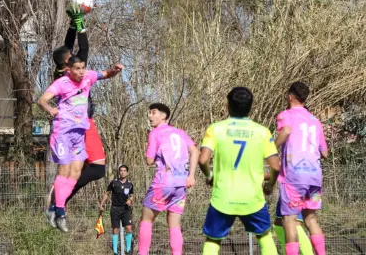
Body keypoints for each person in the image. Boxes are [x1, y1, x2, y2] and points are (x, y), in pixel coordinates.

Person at [38, 54, 123, 232]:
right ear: (69, 69)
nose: (81, 71)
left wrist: (114, 70)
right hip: (63, 133)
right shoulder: (61, 83)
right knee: (65, 170)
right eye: (77, 68)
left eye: (83, 67)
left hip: (79, 133)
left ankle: (55, 208)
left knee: (76, 172)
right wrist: (50, 109)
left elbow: (105, 73)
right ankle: (60, 211)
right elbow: (42, 100)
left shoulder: (88, 76)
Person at [198, 87, 280, 255]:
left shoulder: (215, 129)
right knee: (264, 236)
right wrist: (270, 185)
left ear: (228, 105)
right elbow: (276, 166)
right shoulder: (262, 132)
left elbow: (203, 160)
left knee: (213, 240)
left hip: (223, 197)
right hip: (253, 198)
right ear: (251, 106)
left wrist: (210, 176)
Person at [45, 7, 107, 225]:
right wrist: (80, 25)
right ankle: (58, 199)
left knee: (97, 168)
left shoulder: (64, 69)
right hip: (78, 126)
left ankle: (60, 200)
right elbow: (84, 47)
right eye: (73, 59)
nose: (79, 61)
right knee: (98, 168)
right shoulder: (70, 75)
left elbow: (68, 48)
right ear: (67, 64)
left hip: (83, 124)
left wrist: (72, 24)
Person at [137, 103, 199, 255]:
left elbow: (149, 161)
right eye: (149, 113)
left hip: (163, 183)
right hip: (181, 184)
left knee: (146, 219)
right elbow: (195, 151)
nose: (149, 116)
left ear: (163, 116)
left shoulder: (155, 133)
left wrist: (149, 149)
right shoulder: (180, 132)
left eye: (153, 112)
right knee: (174, 224)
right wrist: (191, 175)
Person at [275, 82, 328, 255]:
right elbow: (325, 152)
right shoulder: (315, 120)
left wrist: (272, 148)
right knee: (311, 219)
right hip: (314, 176)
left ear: (290, 97)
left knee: (289, 220)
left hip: (294, 176)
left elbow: (286, 131)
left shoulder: (285, 115)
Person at [99, 165, 134, 255]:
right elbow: (106, 193)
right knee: (115, 230)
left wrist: (130, 200)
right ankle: (115, 252)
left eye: (124, 171)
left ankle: (128, 250)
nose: (122, 172)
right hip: (115, 209)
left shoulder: (130, 184)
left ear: (127, 172)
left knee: (129, 228)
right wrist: (102, 204)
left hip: (125, 209)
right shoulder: (114, 183)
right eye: (121, 171)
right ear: (119, 172)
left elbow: (132, 195)